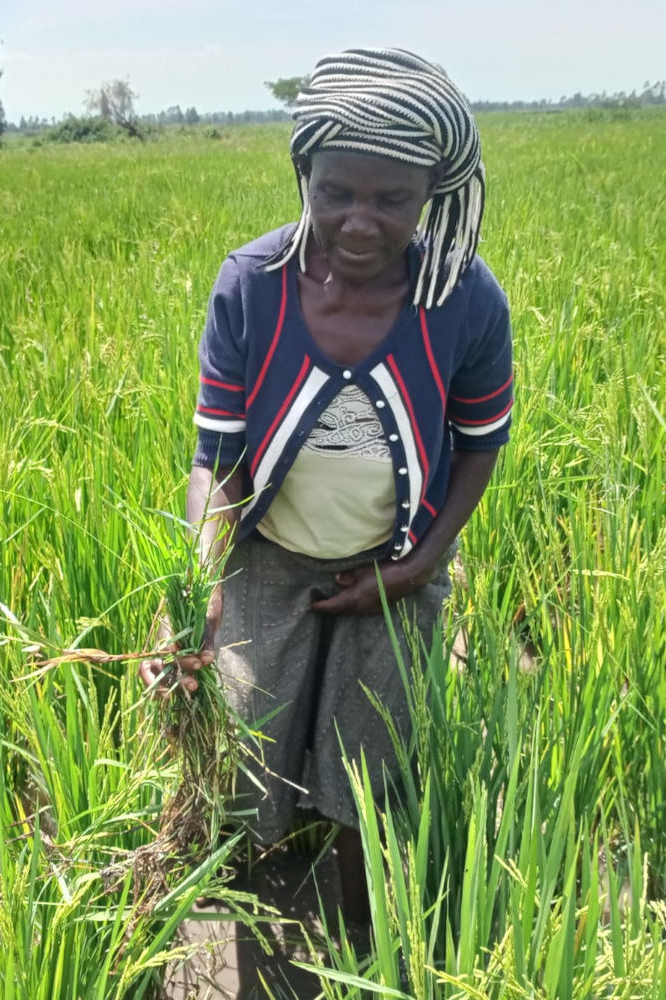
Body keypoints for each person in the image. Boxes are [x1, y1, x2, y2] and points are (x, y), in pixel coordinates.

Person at [140, 46, 513, 930]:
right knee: (234, 749)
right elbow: (217, 459)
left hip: (395, 562)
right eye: (336, 191)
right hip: (265, 559)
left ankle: (360, 948)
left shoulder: (461, 297)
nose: (360, 222)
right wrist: (197, 587)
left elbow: (480, 443)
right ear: (301, 172)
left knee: (370, 770)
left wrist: (424, 562)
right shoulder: (253, 287)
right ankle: (210, 923)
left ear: (431, 192)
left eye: (394, 199)